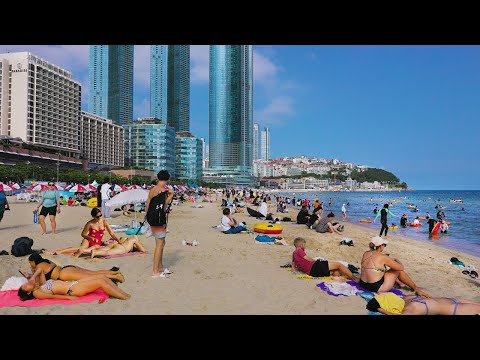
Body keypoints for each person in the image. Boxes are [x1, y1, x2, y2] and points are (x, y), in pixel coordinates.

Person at [359, 236, 430, 297]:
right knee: (397, 271)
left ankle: (401, 283)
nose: (384, 247)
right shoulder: (383, 257)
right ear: (380, 246)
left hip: (363, 284)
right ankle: (415, 288)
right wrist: (396, 260)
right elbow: (400, 268)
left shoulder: (366, 253)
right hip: (375, 287)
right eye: (384, 245)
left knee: (380, 271)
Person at [18, 267, 130, 301]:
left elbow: (40, 270)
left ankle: (119, 293)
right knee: (101, 281)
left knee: (101, 277)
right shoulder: (37, 293)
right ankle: (124, 296)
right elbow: (52, 296)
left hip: (74, 284)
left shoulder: (42, 285)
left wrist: (32, 277)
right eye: (25, 286)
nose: (26, 283)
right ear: (28, 291)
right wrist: (70, 299)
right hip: (72, 289)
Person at [56, 208, 121, 257]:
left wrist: (118, 240)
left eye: (100, 215)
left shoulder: (104, 222)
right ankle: (60, 251)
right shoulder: (90, 223)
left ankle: (70, 253)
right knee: (81, 248)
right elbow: (83, 234)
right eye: (97, 217)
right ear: (93, 216)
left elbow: (111, 233)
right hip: (88, 240)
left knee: (87, 250)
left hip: (97, 242)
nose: (99, 218)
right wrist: (91, 238)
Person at [145, 170, 174, 278]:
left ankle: (160, 266)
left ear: (158, 178)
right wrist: (170, 196)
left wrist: (148, 218)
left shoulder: (153, 189)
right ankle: (155, 271)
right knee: (159, 244)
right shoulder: (162, 191)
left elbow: (148, 203)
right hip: (158, 219)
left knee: (162, 242)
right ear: (168, 179)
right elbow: (164, 206)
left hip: (152, 218)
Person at [24, 253, 125, 282]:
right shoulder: (46, 261)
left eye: (30, 263)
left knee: (90, 277)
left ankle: (115, 277)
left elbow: (40, 282)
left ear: (33, 262)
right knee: (92, 273)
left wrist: (29, 276)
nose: (30, 264)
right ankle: (112, 273)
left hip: (63, 274)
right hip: (67, 268)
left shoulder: (38, 267)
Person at [292, 237, 357, 282]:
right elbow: (307, 258)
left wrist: (300, 268)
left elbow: (293, 266)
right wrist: (315, 261)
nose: (304, 246)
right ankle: (354, 278)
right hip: (314, 267)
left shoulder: (294, 253)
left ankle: (336, 277)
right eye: (304, 244)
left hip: (312, 272)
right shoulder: (299, 250)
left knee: (336, 269)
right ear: (301, 244)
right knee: (338, 265)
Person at [367, 292, 480, 315]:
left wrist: (381, 310)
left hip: (456, 309)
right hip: (455, 301)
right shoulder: (409, 298)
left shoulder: (410, 307)